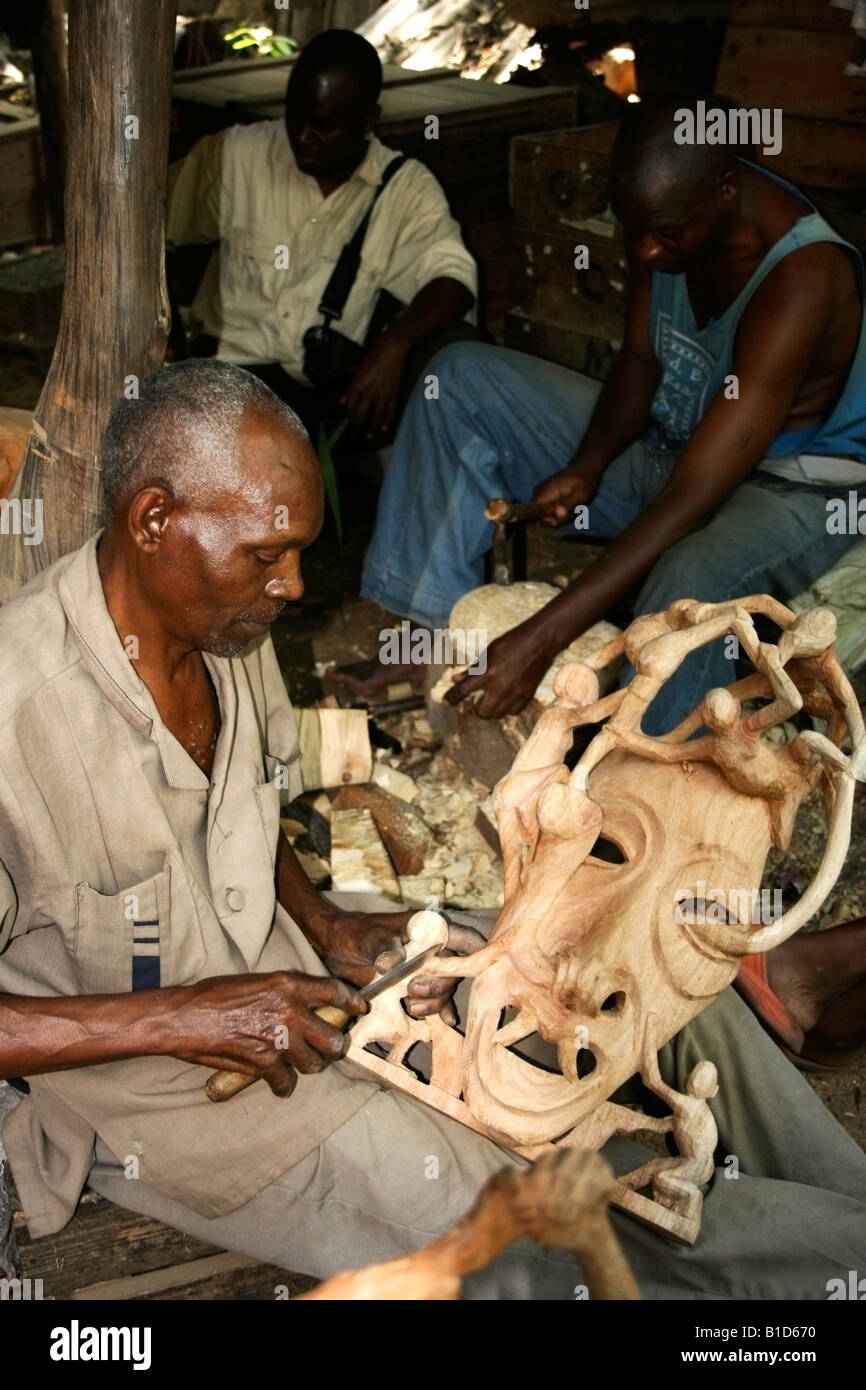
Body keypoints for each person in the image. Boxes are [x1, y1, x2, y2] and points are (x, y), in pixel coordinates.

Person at [1, 359, 864, 1300]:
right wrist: (189, 1014)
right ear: (154, 518)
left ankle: (847, 1203)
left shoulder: (222, 624)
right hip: (183, 1100)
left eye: (298, 551)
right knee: (576, 1215)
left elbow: (241, 803)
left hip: (306, 978)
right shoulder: (17, 714)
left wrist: (329, 926)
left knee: (640, 976)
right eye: (266, 554)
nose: (292, 586)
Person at [343, 93, 866, 731]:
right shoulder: (667, 222)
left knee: (689, 578)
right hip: (680, 443)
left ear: (727, 189)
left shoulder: (804, 277)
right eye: (632, 227)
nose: (644, 252)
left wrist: (542, 637)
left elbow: (695, 496)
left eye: (664, 235)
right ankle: (428, 630)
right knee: (459, 379)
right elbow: (641, 362)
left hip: (789, 489)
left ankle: (642, 787)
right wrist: (588, 466)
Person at [166, 29, 477, 439]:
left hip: (313, 400)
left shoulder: (405, 189)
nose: (302, 137)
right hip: (221, 384)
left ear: (368, 120)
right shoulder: (238, 154)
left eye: (323, 126)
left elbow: (454, 278)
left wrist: (396, 343)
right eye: (295, 118)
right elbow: (148, 224)